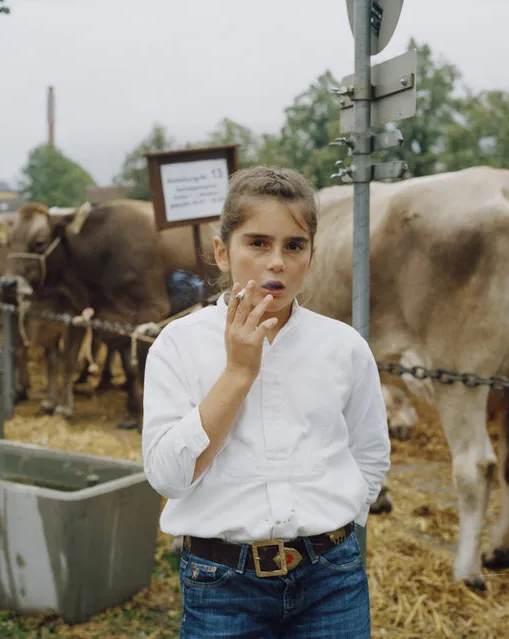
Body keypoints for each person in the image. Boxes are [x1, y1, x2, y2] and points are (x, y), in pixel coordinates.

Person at [142, 165, 391, 638]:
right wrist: (238, 372)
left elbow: (370, 453)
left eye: (293, 246)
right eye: (258, 243)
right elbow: (168, 477)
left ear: (311, 255)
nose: (276, 261)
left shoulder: (344, 347)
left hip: (331, 580)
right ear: (222, 251)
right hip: (222, 585)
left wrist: (340, 520)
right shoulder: (178, 346)